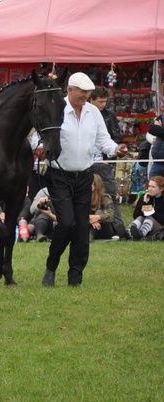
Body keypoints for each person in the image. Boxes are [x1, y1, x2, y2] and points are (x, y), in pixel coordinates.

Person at [41, 72, 128, 288]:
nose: (86, 95)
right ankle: (51, 267)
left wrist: (116, 149)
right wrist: (40, 148)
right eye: (82, 92)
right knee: (66, 223)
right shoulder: (56, 108)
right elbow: (38, 137)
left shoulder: (93, 113)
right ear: (69, 90)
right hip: (59, 175)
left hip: (84, 177)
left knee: (81, 228)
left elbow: (103, 139)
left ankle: (75, 277)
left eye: (88, 92)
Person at [89, 86, 125, 237]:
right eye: (100, 101)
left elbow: (116, 138)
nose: (103, 104)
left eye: (105, 101)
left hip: (104, 162)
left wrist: (108, 158)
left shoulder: (110, 115)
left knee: (111, 195)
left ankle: (119, 230)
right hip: (85, 163)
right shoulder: (83, 114)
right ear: (92, 100)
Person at [126, 176, 164, 240]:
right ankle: (127, 232)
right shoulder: (144, 196)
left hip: (159, 228)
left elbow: (162, 220)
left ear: (161, 189)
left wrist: (151, 212)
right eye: (149, 186)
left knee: (149, 217)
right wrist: (145, 203)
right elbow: (136, 216)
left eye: (153, 187)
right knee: (141, 217)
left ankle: (141, 234)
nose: (150, 189)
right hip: (144, 224)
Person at [89, 173, 117, 241]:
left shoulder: (105, 197)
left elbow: (110, 215)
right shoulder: (83, 198)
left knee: (99, 212)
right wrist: (91, 220)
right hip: (89, 225)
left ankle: (90, 235)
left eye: (91, 183)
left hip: (104, 229)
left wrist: (97, 218)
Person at [147, 114, 164, 179]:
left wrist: (159, 129)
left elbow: (156, 130)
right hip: (157, 162)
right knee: (152, 186)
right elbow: (151, 129)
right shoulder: (162, 116)